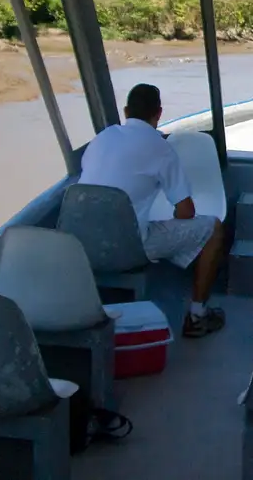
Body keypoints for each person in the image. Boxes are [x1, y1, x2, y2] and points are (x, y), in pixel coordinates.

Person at [78, 83, 226, 338]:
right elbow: (186, 212)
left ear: (126, 111)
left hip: (78, 245)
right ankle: (197, 315)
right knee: (214, 228)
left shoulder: (101, 139)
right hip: (128, 248)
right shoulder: (160, 148)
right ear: (158, 113)